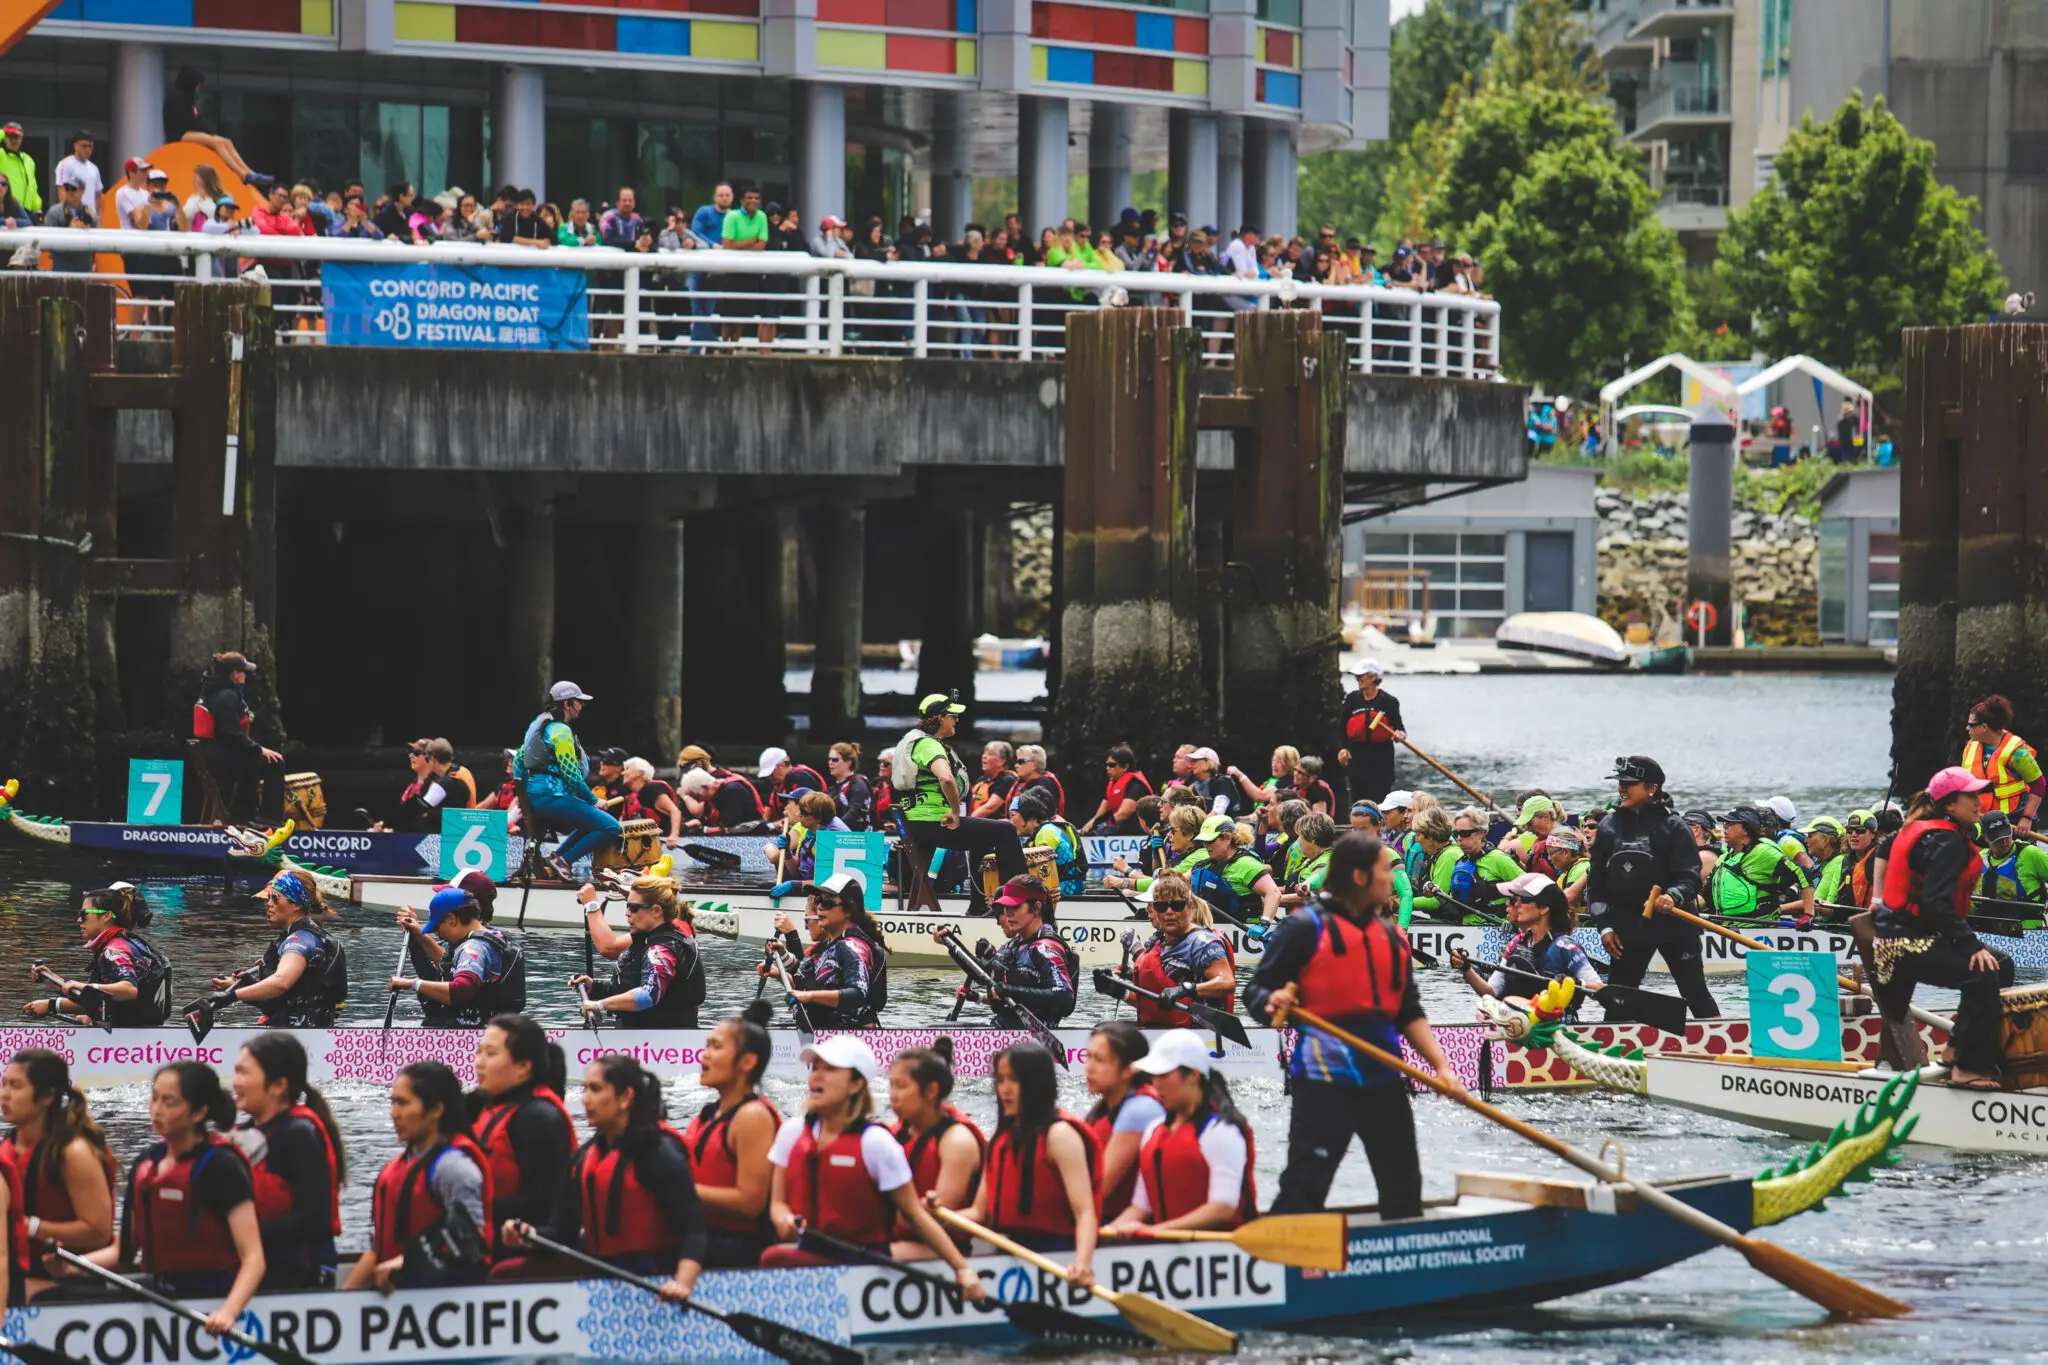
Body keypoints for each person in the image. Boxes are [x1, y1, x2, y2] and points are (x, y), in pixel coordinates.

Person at [1245, 833, 1464, 1220]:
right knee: (1305, 1184)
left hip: (1384, 1077)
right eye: (1387, 872)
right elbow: (1255, 993)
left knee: (1403, 1186)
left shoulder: (1391, 936)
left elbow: (1408, 1011)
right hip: (1325, 1077)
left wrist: (1441, 1066)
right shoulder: (1304, 928)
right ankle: (1288, 1255)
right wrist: (1272, 1004)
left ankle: (1402, 1257)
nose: (1396, 881)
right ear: (1361, 877)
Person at [761, 1035, 986, 1299]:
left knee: (772, 1257)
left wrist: (962, 1270)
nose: (816, 1076)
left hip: (864, 1255)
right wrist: (783, 1219)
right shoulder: (791, 1132)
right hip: (813, 1246)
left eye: (830, 1069)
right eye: (815, 1068)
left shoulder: (876, 1142)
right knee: (771, 1255)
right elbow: (777, 1204)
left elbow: (915, 1215)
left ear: (857, 1084)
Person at [499, 1056, 703, 1299]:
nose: (586, 1099)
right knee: (505, 1273)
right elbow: (561, 1231)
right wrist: (527, 1235)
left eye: (595, 1089)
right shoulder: (583, 1159)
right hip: (602, 1274)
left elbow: (694, 1230)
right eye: (584, 1089)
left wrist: (682, 1284)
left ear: (626, 1097)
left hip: (657, 1275)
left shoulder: (659, 1154)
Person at [76, 1064, 261, 1332]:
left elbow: (254, 1257)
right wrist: (74, 1266)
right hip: (161, 1289)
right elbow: (125, 1251)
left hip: (214, 1295)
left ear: (199, 1112)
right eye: (154, 1099)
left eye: (169, 1102)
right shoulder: (146, 1163)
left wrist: (228, 1312)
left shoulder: (222, 1166)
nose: (156, 1109)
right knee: (53, 1295)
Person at [1874, 766, 2017, 1089]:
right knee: (1982, 973)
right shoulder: (1946, 841)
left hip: (1915, 936)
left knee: (2003, 963)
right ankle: (1967, 1069)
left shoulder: (1930, 829)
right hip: (1901, 945)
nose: (1979, 803)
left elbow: (1885, 849)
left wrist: (1877, 898)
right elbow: (1937, 904)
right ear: (1950, 805)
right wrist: (1971, 946)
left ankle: (1959, 1049)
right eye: (1970, 797)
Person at [1586, 756, 1717, 1021]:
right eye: (1621, 782)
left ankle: (1721, 1044)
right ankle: (1613, 1054)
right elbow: (1595, 884)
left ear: (1652, 788)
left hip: (1674, 925)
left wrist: (1672, 895)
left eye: (1630, 783)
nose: (1622, 788)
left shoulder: (1674, 827)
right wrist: (1605, 926)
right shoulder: (1609, 826)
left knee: (1695, 993)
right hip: (1627, 928)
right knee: (1618, 1000)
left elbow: (1690, 878)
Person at [349, 1061, 490, 1291]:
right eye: (392, 1102)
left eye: (403, 1103)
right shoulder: (393, 1168)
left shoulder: (454, 1169)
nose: (394, 1114)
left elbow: (472, 1246)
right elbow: (378, 1250)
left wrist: (407, 1264)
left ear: (436, 1110)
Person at [1103, 1030, 1255, 1235]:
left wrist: (1157, 1231)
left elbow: (1223, 1207)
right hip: (1165, 1243)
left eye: (1164, 1075)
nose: (1156, 1084)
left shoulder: (1221, 1131)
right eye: (1154, 1076)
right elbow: (1140, 1207)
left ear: (1193, 1075)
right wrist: (1105, 1233)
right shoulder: (1153, 1131)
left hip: (1218, 1249)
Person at [968, 1043, 1100, 1276]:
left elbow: (1085, 1213)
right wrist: (928, 1216)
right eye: (1000, 1080)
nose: (1004, 1090)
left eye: (1013, 1080)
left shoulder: (1059, 1136)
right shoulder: (1001, 1139)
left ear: (1036, 1085)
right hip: (1008, 1255)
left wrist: (1083, 1263)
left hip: (1055, 1255)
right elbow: (979, 1213)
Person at [228, 1033, 344, 1289]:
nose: (235, 1083)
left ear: (278, 1085)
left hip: (300, 1272)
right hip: (256, 1266)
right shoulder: (243, 1133)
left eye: (244, 1074)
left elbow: (315, 1219)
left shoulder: (300, 1135)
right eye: (235, 1073)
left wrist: (237, 1232)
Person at [0, 1049, 116, 1299]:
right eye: (4, 1084)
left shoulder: (73, 1153)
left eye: (16, 1086)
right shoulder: (7, 1148)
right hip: (14, 1273)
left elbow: (98, 1232)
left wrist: (28, 1226)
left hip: (64, 1281)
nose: (4, 1095)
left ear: (47, 1096)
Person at [895, 692, 1026, 902]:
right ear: (939, 718)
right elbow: (946, 778)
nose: (957, 720)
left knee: (981, 841)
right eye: (952, 716)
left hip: (918, 823)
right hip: (931, 823)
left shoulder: (911, 740)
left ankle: (979, 906)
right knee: (1007, 831)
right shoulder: (928, 744)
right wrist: (956, 812)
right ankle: (1017, 899)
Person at [681, 1002, 780, 1267]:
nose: (704, 1056)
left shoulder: (752, 1117)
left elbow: (750, 1202)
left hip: (736, 1250)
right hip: (702, 1237)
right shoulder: (707, 1115)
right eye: (706, 1045)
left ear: (748, 1061)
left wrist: (681, 1190)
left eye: (716, 1047)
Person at [468, 1015, 574, 1248]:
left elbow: (544, 1206)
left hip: (525, 1250)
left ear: (524, 1067)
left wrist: (464, 1207)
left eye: (491, 1053)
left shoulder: (538, 1118)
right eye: (479, 1052)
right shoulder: (483, 1109)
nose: (479, 1062)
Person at [204, 872, 347, 1028]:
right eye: (269, 898)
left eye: (275, 898)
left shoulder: (299, 941)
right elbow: (286, 1000)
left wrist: (231, 996)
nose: (269, 904)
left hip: (298, 1036)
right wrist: (242, 987)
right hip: (311, 1031)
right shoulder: (312, 935)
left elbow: (281, 982)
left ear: (296, 904)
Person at [885, 1039, 986, 1256]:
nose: (893, 1095)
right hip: (898, 1236)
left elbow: (934, 1219)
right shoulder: (892, 1134)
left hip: (942, 1247)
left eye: (901, 1086)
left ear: (931, 1090)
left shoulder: (957, 1142)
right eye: (891, 1085)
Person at [1451, 872, 1602, 1017]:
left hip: (1556, 1030)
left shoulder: (1566, 947)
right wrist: (1466, 969)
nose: (1508, 904)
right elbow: (1491, 992)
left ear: (1543, 908)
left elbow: (1599, 989)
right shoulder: (1515, 943)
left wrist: (1575, 984)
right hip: (1519, 1027)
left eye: (1518, 899)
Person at [1100, 871, 1235, 1030]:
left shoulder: (1202, 943)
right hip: (1164, 1031)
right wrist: (1120, 990)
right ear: (1154, 909)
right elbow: (1157, 1004)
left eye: (1177, 906)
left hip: (1200, 1036)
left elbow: (1227, 983)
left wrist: (1185, 990)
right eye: (1161, 906)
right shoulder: (1158, 944)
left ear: (1190, 907)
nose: (1169, 912)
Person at [23, 883, 171, 1026]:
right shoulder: (129, 942)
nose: (79, 920)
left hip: (129, 1040)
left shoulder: (115, 950)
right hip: (135, 1033)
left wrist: (52, 1004)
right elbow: (100, 998)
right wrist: (54, 981)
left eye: (84, 914)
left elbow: (128, 990)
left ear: (106, 916)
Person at [515, 681, 618, 879]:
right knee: (611, 827)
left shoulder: (538, 725)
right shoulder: (561, 731)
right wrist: (594, 800)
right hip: (553, 796)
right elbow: (572, 774)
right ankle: (564, 860)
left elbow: (519, 761)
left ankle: (558, 857)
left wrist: (524, 796)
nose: (582, 706)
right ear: (567, 704)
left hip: (537, 797)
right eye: (579, 702)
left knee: (590, 823)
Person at [574, 876, 705, 1028]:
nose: (627, 913)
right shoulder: (645, 941)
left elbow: (649, 995)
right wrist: (595, 987)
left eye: (634, 908)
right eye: (627, 906)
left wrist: (599, 1005)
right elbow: (631, 986)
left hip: (660, 1044)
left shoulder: (661, 950)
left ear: (656, 911)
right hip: (643, 1037)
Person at [764, 872, 890, 1029]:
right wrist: (780, 968)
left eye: (827, 902)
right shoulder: (828, 946)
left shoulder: (852, 946)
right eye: (818, 901)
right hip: (820, 1036)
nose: (819, 907)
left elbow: (858, 993)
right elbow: (810, 982)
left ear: (849, 909)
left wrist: (809, 996)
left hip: (846, 1040)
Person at [391, 887, 526, 1027]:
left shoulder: (472, 948)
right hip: (501, 1029)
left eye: (437, 928)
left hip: (470, 1037)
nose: (438, 934)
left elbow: (461, 990)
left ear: (451, 919)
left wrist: (411, 984)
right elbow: (454, 965)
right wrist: (419, 935)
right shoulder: (494, 935)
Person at [1078, 1022, 1164, 1222]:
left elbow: (1098, 1188)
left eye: (1099, 1060)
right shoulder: (1105, 1107)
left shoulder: (1140, 1110)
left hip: (1117, 1225)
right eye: (1087, 1057)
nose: (1089, 1067)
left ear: (1128, 1069)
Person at [973, 877, 1080, 1027]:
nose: (1008, 914)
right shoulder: (1014, 944)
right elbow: (985, 974)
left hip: (1034, 1036)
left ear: (1036, 908)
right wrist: (952, 945)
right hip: (1003, 1028)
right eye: (1005, 907)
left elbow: (1064, 996)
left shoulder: (1045, 948)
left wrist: (1011, 991)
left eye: (1015, 907)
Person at [193, 650, 284, 824]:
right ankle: (270, 819)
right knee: (276, 763)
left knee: (253, 764)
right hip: (223, 758)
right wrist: (258, 749)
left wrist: (253, 749)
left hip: (217, 754)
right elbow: (230, 734)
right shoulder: (226, 696)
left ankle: (241, 814)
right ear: (235, 674)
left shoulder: (213, 691)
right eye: (243, 672)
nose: (246, 676)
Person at [1709, 807, 1814, 922]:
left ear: (1746, 830)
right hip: (1728, 925)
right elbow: (1707, 893)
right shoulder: (1724, 858)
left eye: (1730, 824)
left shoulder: (1764, 852)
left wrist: (1808, 914)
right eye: (1725, 823)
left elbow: (1803, 873)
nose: (1725, 827)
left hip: (1759, 926)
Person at [1962, 694, 2043, 830]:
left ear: (1983, 727)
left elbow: (2039, 785)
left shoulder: (2017, 753)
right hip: (1983, 820)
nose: (1967, 728)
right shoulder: (1970, 747)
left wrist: (2027, 818)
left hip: (2015, 821)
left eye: (1971, 724)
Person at [1186, 814, 1281, 926]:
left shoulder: (1246, 864)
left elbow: (1273, 893)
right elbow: (1177, 883)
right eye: (1204, 841)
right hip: (1209, 930)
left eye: (1210, 841)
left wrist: (1264, 922)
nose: (1206, 845)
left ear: (1228, 838)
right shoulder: (1203, 865)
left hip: (1244, 932)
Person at [1338, 662, 1405, 805]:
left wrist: (1399, 734)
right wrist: (1343, 748)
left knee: (1379, 801)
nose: (1358, 679)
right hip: (1357, 759)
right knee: (1358, 802)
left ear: (1373, 677)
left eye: (1361, 676)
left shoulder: (1389, 702)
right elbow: (1341, 728)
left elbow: (1400, 728)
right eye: (1357, 676)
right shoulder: (1352, 700)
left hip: (1381, 761)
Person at [1011, 789, 1088, 898]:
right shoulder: (1048, 829)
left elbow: (1041, 874)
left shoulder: (1045, 833)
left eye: (1012, 815)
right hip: (1071, 892)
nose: (1011, 821)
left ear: (1029, 815)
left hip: (1064, 896)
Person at [388, 737, 475, 833]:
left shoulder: (444, 783)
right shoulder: (463, 772)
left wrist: (388, 825)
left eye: (427, 759)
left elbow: (418, 807)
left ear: (432, 759)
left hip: (447, 837)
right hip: (462, 831)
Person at [1976, 810, 2048, 904]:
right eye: (1999, 839)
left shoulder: (2031, 854)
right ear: (1986, 838)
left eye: (2007, 836)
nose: (2005, 842)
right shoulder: (1980, 859)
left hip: (2026, 916)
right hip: (1989, 916)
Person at [1086, 743, 1153, 834]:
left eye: (1112, 765)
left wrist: (1098, 829)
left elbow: (1122, 815)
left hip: (1137, 837)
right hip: (1119, 839)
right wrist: (1084, 831)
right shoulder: (1112, 785)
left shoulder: (1136, 785)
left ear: (1125, 767)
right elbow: (1098, 816)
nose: (1107, 768)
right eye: (1107, 765)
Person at [619, 757, 684, 841]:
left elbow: (675, 811)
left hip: (665, 843)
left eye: (627, 769)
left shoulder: (652, 788)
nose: (623, 773)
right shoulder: (630, 797)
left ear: (640, 773)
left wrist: (674, 836)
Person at [825, 741, 872, 831]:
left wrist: (831, 829)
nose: (830, 763)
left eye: (835, 760)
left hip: (858, 838)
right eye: (829, 759)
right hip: (838, 836)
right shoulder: (834, 788)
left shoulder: (858, 784)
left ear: (848, 762)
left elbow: (854, 813)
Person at [1010, 745, 1065, 818]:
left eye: (1021, 762)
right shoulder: (1024, 783)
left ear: (1034, 765)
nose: (1016, 766)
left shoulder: (1045, 784)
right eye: (1016, 762)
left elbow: (1037, 816)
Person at [968, 741, 1018, 818]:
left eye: (990, 754)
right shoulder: (981, 780)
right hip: (977, 823)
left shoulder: (1007, 779)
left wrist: (968, 822)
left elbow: (990, 808)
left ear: (1001, 761)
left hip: (995, 826)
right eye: (984, 753)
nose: (984, 756)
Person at [1807, 817, 1851, 908]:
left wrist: (1780, 908)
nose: (1805, 840)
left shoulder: (1836, 862)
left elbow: (1815, 903)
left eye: (1810, 836)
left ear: (1825, 840)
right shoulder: (1821, 862)